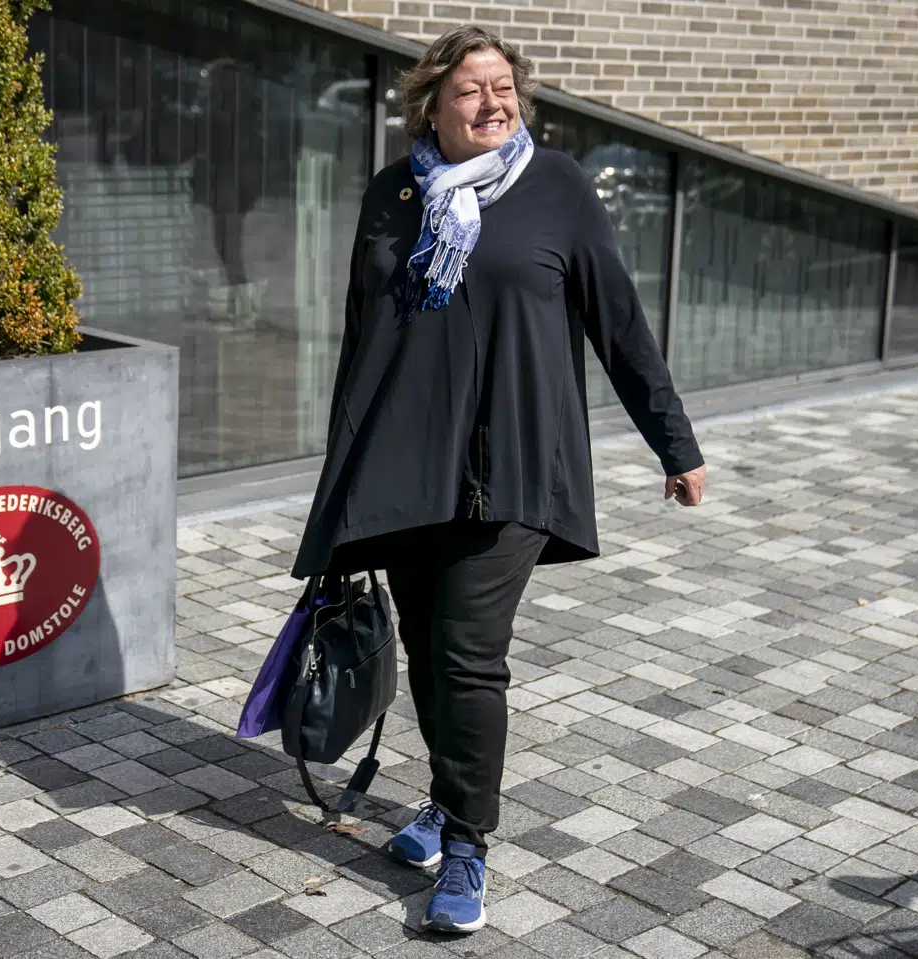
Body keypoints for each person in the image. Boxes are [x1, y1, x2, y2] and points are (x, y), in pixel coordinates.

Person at [290, 25, 708, 935]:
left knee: (470, 657)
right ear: (431, 106)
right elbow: (363, 346)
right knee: (429, 650)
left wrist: (673, 443)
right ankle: (445, 802)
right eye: (473, 89)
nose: (495, 103)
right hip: (408, 472)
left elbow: (619, 323)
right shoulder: (395, 195)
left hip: (515, 464)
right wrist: (342, 492)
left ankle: (469, 842)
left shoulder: (553, 185)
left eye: (505, 88)